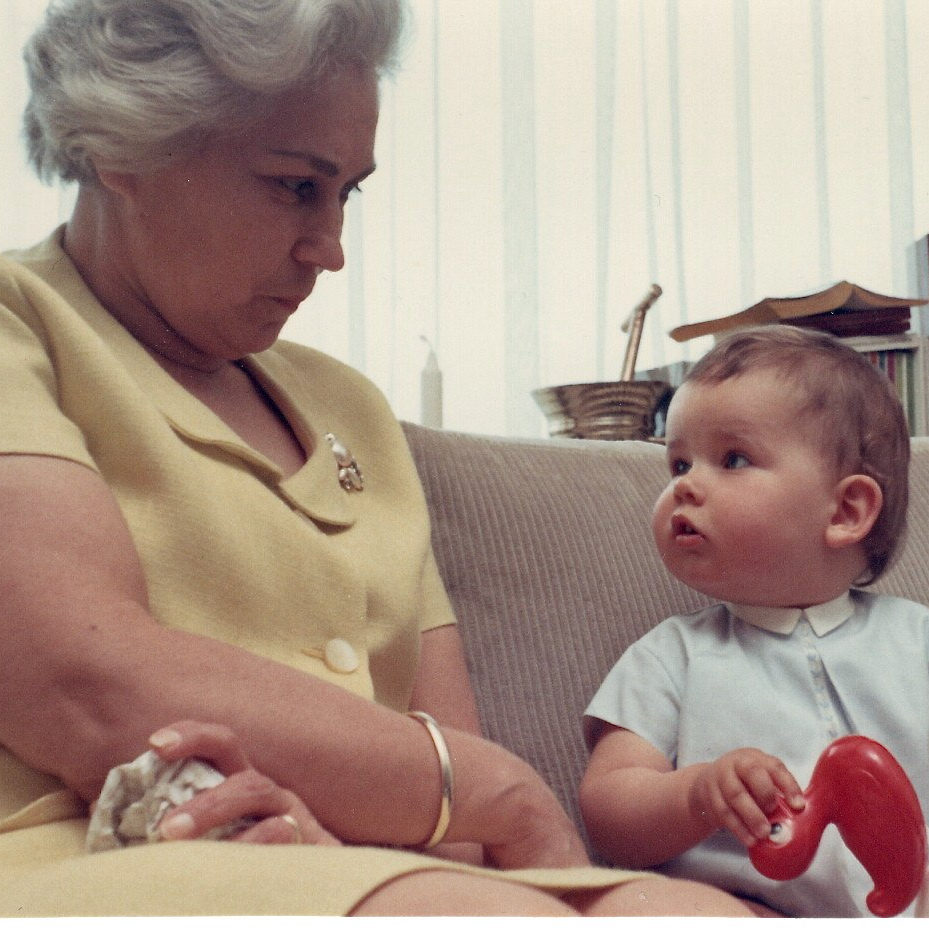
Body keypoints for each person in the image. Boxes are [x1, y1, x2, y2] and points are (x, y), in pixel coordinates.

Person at [0, 0, 760, 917]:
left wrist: (357, 838)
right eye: (292, 185)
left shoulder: (349, 408)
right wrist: (502, 791)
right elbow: (81, 684)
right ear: (125, 145)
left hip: (363, 873)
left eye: (346, 191)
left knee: (693, 911)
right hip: (99, 855)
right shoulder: (19, 326)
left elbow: (465, 828)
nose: (331, 251)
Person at [580, 324, 929, 917]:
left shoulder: (916, 639)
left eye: (733, 459)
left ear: (846, 510)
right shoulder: (671, 656)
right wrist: (697, 794)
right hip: (747, 906)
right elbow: (607, 810)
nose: (685, 484)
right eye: (679, 462)